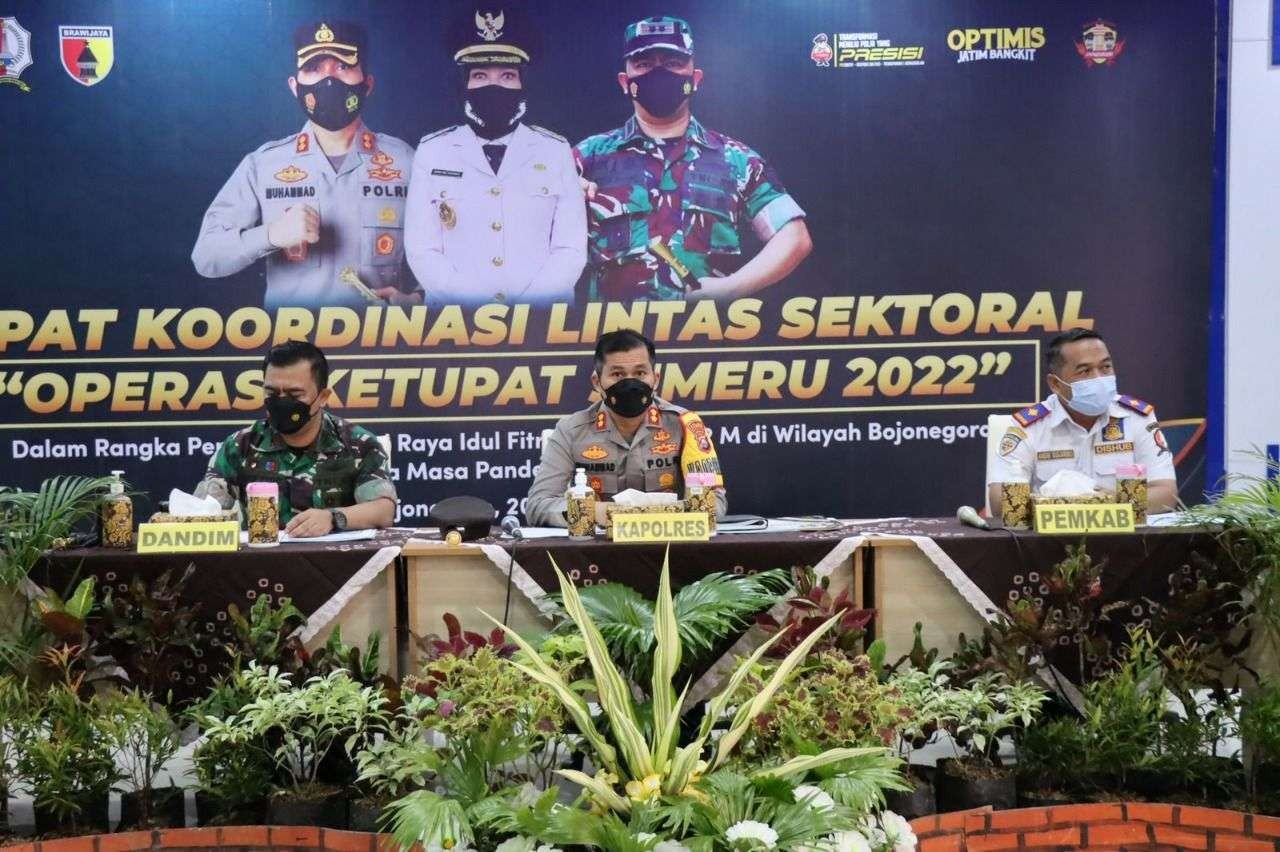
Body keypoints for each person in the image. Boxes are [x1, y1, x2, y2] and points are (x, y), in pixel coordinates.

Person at [574, 15, 812, 303]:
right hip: (616, 339)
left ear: (695, 79)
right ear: (625, 82)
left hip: (703, 336)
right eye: (644, 64)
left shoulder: (736, 160)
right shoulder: (587, 156)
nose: (658, 72)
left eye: (673, 63)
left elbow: (794, 238)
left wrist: (731, 289)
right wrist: (556, 194)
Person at [192, 21, 422, 309]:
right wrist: (271, 235)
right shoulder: (262, 165)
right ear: (294, 86)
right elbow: (206, 257)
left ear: (367, 84)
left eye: (342, 67)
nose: (329, 81)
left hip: (377, 343)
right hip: (295, 347)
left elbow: (454, 247)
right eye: (313, 69)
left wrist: (417, 298)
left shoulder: (406, 160)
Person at [403, 7, 585, 306]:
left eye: (508, 75)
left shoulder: (554, 150)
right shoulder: (433, 151)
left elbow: (570, 248)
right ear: (464, 85)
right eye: (480, 75)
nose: (494, 85)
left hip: (542, 321)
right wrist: (478, 308)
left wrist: (526, 310)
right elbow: (422, 251)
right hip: (456, 321)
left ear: (523, 84)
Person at [525, 329, 727, 527]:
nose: (630, 384)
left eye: (640, 373)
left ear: (655, 379)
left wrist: (658, 516)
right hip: (598, 549)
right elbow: (538, 505)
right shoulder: (571, 430)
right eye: (617, 374)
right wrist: (597, 512)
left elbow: (714, 503)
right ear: (597, 382)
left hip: (669, 546)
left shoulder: (685, 425)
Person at [195, 340, 396, 537]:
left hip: (339, 564)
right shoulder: (239, 446)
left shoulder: (358, 444)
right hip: (260, 564)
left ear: (323, 396)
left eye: (295, 394)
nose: (282, 402)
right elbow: (202, 513)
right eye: (272, 393)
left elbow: (384, 510)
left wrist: (332, 518)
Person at [987, 328, 1177, 518]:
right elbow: (1000, 502)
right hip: (1050, 542)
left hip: (1125, 541)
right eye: (1085, 371)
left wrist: (1104, 503)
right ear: (1055, 384)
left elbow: (1166, 494)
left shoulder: (1137, 418)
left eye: (1105, 367)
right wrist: (1069, 507)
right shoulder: (1028, 426)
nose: (1099, 378)